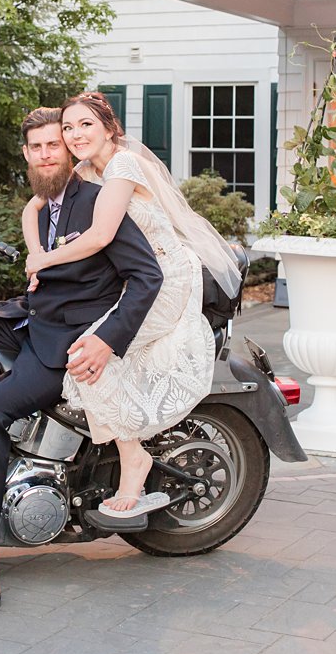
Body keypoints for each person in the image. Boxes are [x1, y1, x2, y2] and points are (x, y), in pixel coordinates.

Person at [0, 106, 164, 628]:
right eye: (35, 147)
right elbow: (40, 262)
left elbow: (147, 276)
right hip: (30, 317)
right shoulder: (41, 206)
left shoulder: (99, 200)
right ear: (27, 154)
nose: (45, 154)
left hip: (66, 343)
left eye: (53, 144)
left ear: (68, 146)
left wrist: (107, 340)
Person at [23, 91, 242, 517]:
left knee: (94, 352)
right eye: (68, 127)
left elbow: (102, 235)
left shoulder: (124, 165)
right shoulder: (87, 168)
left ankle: (134, 457)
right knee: (89, 353)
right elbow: (33, 209)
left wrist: (45, 259)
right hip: (131, 277)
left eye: (85, 124)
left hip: (165, 279)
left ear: (109, 128)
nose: (74, 134)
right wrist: (35, 261)